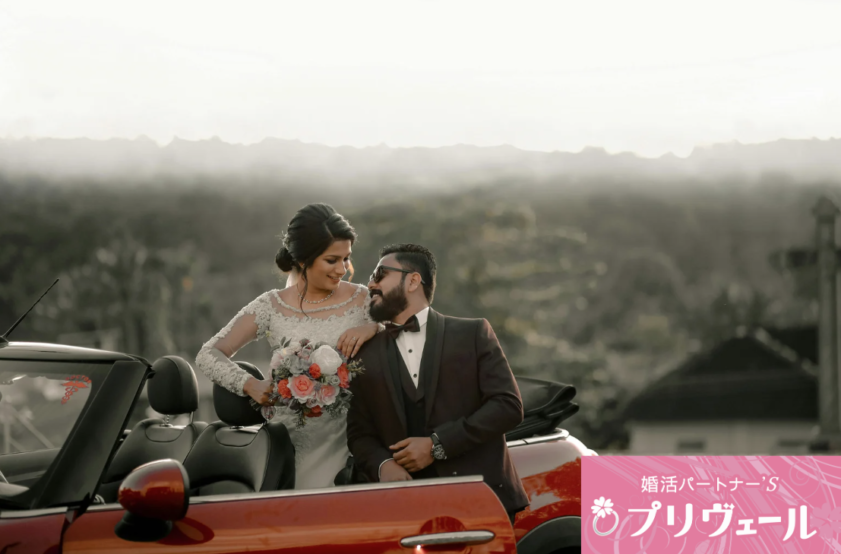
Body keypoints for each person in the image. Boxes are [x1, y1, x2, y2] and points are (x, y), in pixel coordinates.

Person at [196, 203, 381, 490]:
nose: (342, 269)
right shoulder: (270, 306)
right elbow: (208, 354)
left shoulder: (363, 300)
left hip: (349, 440)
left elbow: (405, 338)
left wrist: (375, 328)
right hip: (289, 441)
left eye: (346, 258)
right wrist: (250, 385)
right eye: (332, 260)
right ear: (304, 260)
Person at [347, 243, 529, 523]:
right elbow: (359, 432)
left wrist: (437, 445)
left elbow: (508, 406)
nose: (371, 284)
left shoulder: (472, 333)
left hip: (480, 498)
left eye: (380, 274)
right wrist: (383, 465)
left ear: (413, 281)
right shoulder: (364, 354)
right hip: (401, 508)